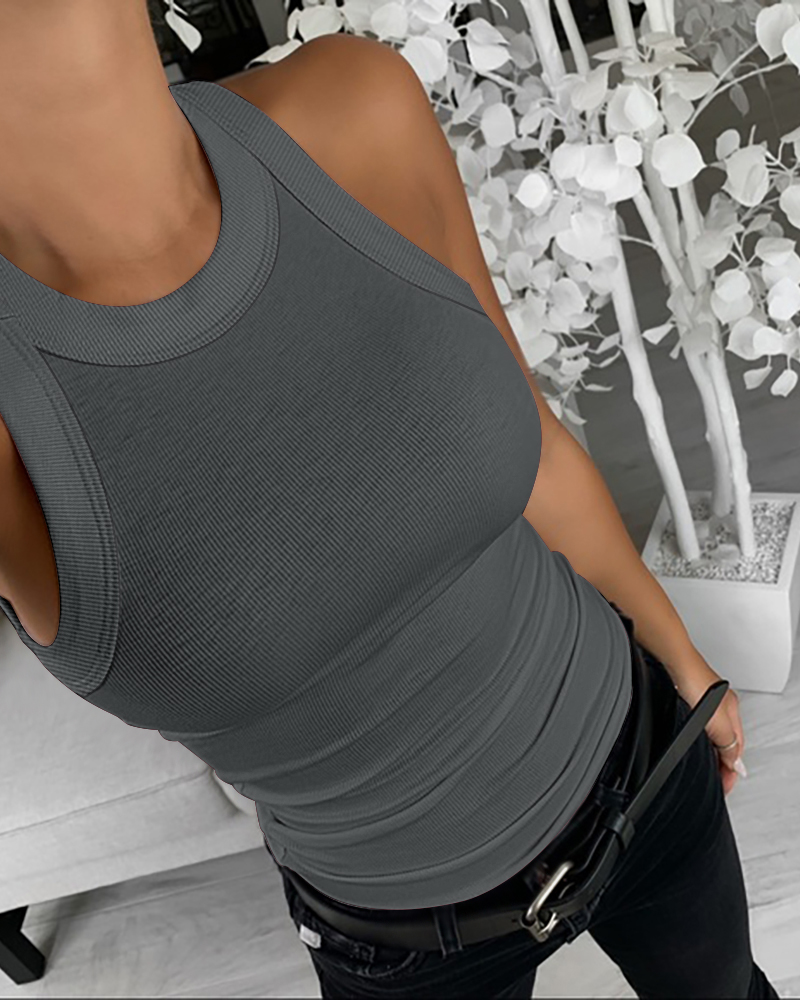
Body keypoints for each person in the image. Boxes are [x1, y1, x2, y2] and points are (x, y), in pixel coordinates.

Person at [0, 3, 778, 997]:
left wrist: (675, 648)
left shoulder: (352, 108)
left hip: (642, 761)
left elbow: (536, 445)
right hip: (405, 947)